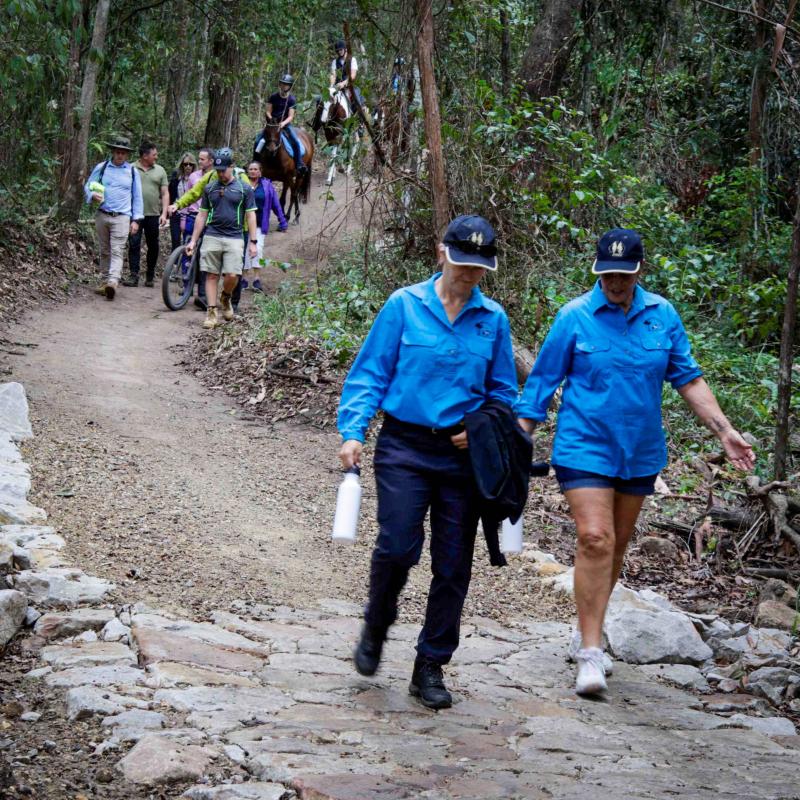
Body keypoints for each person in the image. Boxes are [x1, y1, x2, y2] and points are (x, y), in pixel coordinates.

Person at [515, 228, 755, 697]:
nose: (615, 283)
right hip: (584, 446)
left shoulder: (661, 316)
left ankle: (589, 626)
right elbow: (540, 385)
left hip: (639, 451)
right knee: (595, 538)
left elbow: (687, 378)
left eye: (624, 275)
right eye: (607, 275)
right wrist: (517, 443)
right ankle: (590, 654)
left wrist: (725, 431)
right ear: (597, 270)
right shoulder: (574, 317)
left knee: (616, 547)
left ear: (639, 270)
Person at [337, 215, 517, 710]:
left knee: (454, 563)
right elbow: (370, 372)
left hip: (462, 459)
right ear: (442, 253)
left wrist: (479, 427)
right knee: (397, 546)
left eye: (479, 268)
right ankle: (377, 621)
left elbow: (504, 393)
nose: (469, 274)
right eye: (461, 263)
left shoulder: (493, 320)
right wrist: (354, 431)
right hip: (405, 447)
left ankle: (431, 664)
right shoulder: (404, 305)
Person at [184, 149, 258, 329]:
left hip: (234, 236)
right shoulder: (210, 188)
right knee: (211, 275)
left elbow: (251, 216)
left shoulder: (244, 188)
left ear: (232, 167)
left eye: (223, 170)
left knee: (232, 275)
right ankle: (211, 311)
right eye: (217, 170)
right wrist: (193, 241)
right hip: (212, 235)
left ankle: (225, 296)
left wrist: (253, 242)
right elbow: (202, 215)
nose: (220, 174)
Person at [83, 135, 143, 300]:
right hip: (102, 215)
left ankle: (113, 282)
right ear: (113, 152)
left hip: (122, 217)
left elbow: (137, 196)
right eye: (117, 152)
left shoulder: (132, 171)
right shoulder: (101, 168)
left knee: (117, 250)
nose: (120, 155)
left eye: (123, 153)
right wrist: (91, 195)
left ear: (127, 155)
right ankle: (104, 281)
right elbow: (88, 185)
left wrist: (136, 220)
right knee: (104, 250)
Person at [169, 147, 214, 309]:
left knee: (204, 256)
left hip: (209, 220)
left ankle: (202, 294)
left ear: (211, 161)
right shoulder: (193, 177)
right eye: (199, 159)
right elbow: (189, 196)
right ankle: (186, 285)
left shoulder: (216, 177)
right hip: (192, 217)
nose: (199, 162)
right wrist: (182, 215)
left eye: (202, 159)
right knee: (187, 251)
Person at [125, 141, 168, 287]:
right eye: (154, 154)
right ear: (145, 156)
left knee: (153, 245)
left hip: (153, 214)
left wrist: (164, 213)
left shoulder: (160, 170)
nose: (156, 157)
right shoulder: (130, 168)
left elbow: (165, 192)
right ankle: (133, 275)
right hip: (134, 214)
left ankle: (150, 275)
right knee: (134, 244)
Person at [241, 161, 287, 292]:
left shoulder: (267, 185)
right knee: (244, 250)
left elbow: (275, 204)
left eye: (255, 169)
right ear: (247, 171)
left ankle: (256, 279)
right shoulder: (242, 184)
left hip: (260, 223)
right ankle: (244, 278)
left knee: (257, 249)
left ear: (260, 171)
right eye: (250, 169)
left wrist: (282, 221)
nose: (253, 171)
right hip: (243, 224)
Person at [258, 74, 307, 176]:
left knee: (295, 142)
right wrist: (272, 120)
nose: (284, 86)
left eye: (286, 85)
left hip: (285, 125)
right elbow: (268, 111)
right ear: (280, 84)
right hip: (272, 125)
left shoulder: (291, 99)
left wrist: (282, 123)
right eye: (282, 84)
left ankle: (299, 164)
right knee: (258, 140)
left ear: (290, 86)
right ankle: (255, 162)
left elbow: (290, 116)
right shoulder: (273, 97)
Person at [330, 39, 367, 116]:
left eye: (341, 50)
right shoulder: (334, 62)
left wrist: (343, 83)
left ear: (345, 49)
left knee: (357, 100)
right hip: (337, 86)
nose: (339, 52)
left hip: (349, 85)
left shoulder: (352, 60)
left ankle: (360, 123)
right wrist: (331, 86)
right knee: (324, 100)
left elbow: (353, 75)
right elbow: (333, 75)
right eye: (338, 50)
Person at [168, 152, 196, 251]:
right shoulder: (176, 178)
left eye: (190, 164)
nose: (188, 166)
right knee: (175, 239)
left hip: (191, 214)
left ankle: (187, 263)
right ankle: (175, 263)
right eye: (185, 164)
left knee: (188, 240)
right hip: (176, 212)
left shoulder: (198, 179)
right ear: (182, 165)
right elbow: (170, 194)